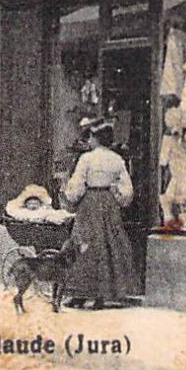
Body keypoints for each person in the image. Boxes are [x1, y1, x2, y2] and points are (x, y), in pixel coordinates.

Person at [62, 122, 141, 309]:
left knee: (84, 244)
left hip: (90, 202)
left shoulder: (86, 158)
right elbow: (127, 189)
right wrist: (118, 197)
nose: (89, 141)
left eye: (90, 137)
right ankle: (101, 295)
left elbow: (77, 185)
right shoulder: (117, 159)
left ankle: (80, 293)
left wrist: (70, 195)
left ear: (96, 139)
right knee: (108, 244)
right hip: (108, 203)